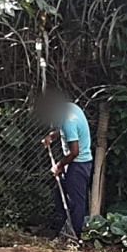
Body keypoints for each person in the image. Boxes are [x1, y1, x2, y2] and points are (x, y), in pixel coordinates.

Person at [38, 88, 93, 239]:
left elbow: (74, 152)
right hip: (75, 163)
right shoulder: (70, 108)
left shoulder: (69, 122)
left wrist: (59, 165)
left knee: (75, 203)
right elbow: (63, 130)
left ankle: (73, 237)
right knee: (61, 198)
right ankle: (62, 231)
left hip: (78, 164)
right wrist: (52, 136)